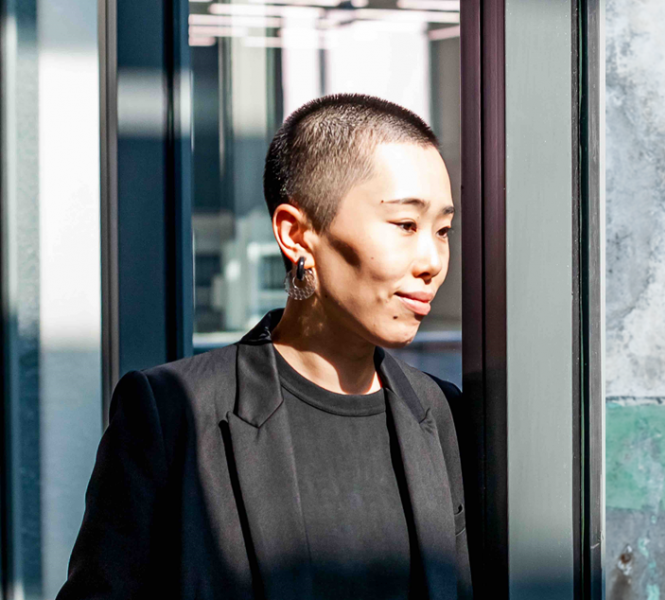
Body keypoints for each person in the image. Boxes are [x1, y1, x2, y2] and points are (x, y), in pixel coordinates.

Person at [58, 94, 471, 600]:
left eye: (443, 230)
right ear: (296, 234)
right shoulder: (173, 414)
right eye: (405, 225)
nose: (432, 261)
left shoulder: (439, 411)